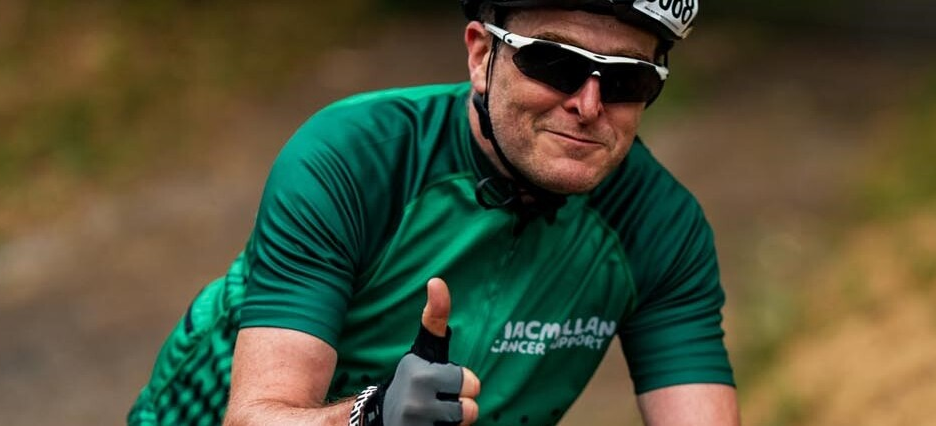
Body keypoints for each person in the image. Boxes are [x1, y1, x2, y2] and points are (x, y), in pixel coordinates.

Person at [128, 0, 733, 424]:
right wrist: (371, 417)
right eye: (555, 63)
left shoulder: (661, 226)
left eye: (627, 79)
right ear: (480, 54)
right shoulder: (355, 158)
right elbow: (256, 416)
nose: (589, 104)